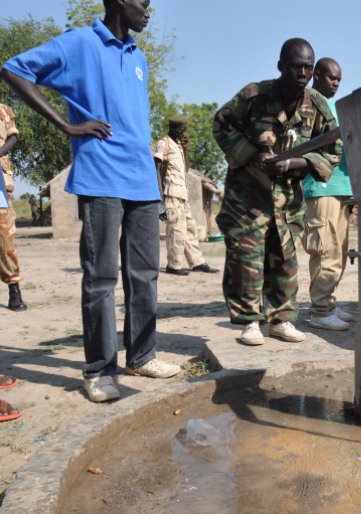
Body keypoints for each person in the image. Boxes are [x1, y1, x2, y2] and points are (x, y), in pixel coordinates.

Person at [1, 0, 182, 403]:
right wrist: (67, 125)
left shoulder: (139, 56)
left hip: (141, 180)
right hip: (101, 176)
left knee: (145, 273)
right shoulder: (80, 43)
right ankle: (99, 371)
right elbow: (14, 69)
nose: (149, 10)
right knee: (101, 278)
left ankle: (142, 355)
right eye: (143, 2)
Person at [213, 38, 341, 346]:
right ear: (281, 65)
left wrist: (295, 163)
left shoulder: (319, 106)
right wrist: (254, 155)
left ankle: (282, 320)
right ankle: (250, 321)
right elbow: (221, 125)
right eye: (296, 66)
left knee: (285, 259)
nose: (303, 72)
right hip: (248, 197)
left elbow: (333, 150)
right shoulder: (254, 96)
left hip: (286, 198)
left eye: (308, 67)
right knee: (248, 257)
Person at [302, 58, 355, 331]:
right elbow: (305, 143)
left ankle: (328, 303)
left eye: (339, 80)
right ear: (317, 74)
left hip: (343, 187)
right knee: (325, 250)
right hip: (322, 186)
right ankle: (320, 310)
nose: (336, 83)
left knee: (339, 253)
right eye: (332, 78)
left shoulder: (334, 106)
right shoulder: (307, 102)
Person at [154, 116, 218, 276]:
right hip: (170, 194)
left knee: (190, 229)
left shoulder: (178, 146)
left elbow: (186, 170)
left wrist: (185, 149)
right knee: (176, 230)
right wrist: (159, 199)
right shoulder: (164, 143)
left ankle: (197, 262)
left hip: (183, 195)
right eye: (182, 130)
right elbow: (156, 170)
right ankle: (173, 265)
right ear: (173, 128)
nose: (184, 134)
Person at [0, 102, 26, 312]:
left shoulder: (5, 110)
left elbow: (13, 136)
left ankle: (14, 290)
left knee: (5, 237)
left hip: (0, 180)